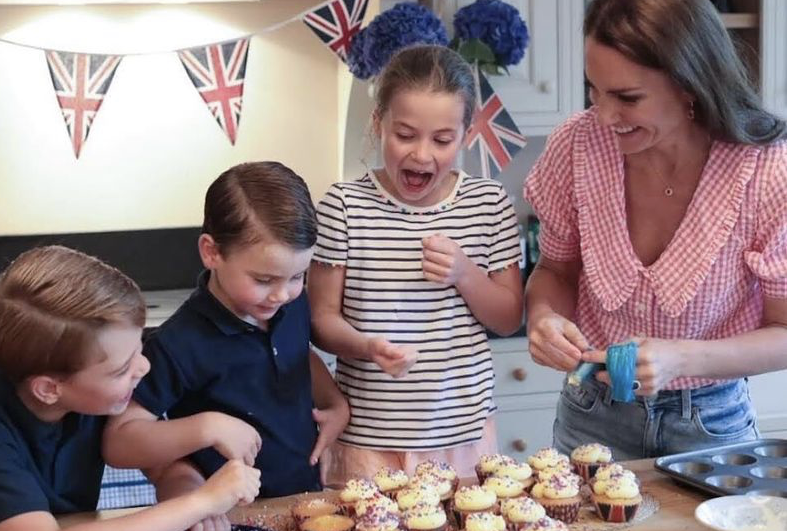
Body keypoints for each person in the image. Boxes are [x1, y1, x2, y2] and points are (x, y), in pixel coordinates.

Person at [524, 0, 787, 460]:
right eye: (594, 91)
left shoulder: (767, 172)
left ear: (691, 85)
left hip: (710, 421)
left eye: (627, 98)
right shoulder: (576, 146)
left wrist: (682, 358)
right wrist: (545, 317)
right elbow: (555, 270)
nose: (605, 116)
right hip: (590, 409)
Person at [308, 44, 525, 483]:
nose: (422, 155)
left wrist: (465, 274)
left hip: (463, 437)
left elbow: (508, 318)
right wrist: (368, 346)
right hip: (367, 441)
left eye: (442, 140)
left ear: (465, 134)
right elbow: (320, 322)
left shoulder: (489, 205)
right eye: (405, 135)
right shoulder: (344, 207)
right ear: (378, 124)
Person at [0, 245, 260, 531]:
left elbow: (163, 466)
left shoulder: (98, 393)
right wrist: (201, 502)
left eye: (139, 348)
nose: (143, 367)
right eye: (121, 369)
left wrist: (188, 497)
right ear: (49, 389)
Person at [103, 161, 350, 500]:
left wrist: (334, 403)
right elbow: (118, 441)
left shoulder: (291, 305)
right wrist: (206, 427)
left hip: (303, 500)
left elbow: (297, 355)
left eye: (297, 276)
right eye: (263, 279)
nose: (282, 294)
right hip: (230, 513)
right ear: (212, 252)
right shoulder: (178, 343)